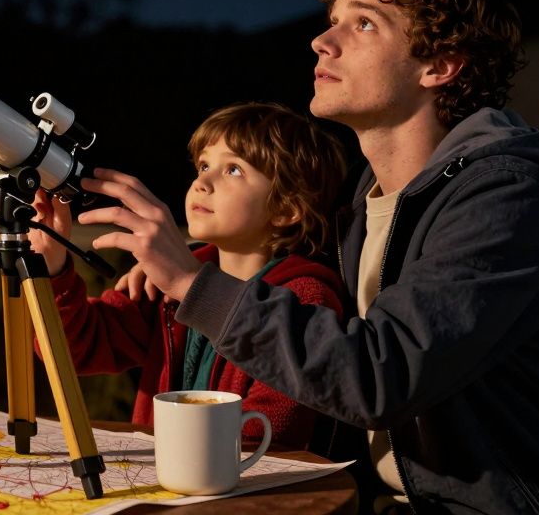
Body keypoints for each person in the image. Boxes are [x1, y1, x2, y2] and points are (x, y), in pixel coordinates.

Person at [76, 0, 539, 514]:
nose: (322, 41)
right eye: (332, 22)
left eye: (364, 24)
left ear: (439, 65)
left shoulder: (507, 198)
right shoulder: (360, 204)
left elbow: (382, 373)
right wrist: (184, 266)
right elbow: (274, 266)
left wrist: (190, 284)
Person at [30, 102, 348, 450]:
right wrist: (54, 267)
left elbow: (269, 438)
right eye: (204, 165)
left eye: (234, 170)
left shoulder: (303, 299)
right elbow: (74, 350)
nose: (202, 182)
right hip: (169, 480)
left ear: (287, 208)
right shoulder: (166, 285)